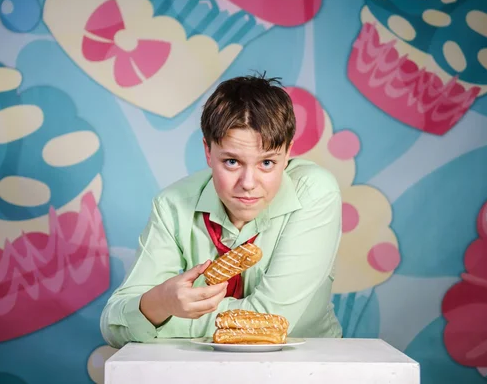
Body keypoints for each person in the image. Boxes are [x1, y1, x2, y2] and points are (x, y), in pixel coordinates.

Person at [100, 73, 343, 348]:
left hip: (306, 368)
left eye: (267, 163)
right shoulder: (173, 205)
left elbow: (271, 319)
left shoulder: (314, 192)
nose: (248, 183)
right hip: (203, 370)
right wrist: (161, 301)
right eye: (231, 161)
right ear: (208, 151)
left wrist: (160, 318)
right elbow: (113, 324)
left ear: (288, 153)